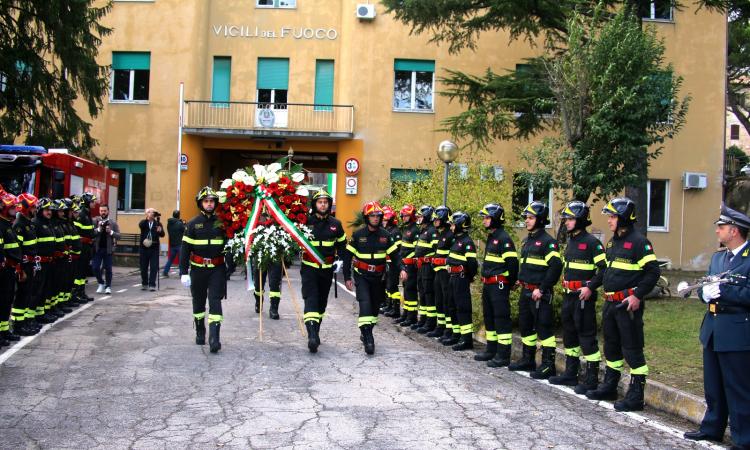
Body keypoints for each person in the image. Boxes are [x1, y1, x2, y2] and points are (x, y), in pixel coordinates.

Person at [684, 204, 750, 447]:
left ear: (734, 231)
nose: (717, 232)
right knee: (713, 386)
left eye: (721, 228)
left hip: (736, 330)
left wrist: (723, 292)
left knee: (738, 387)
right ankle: (712, 427)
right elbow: (707, 288)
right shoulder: (718, 257)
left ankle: (744, 438)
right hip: (712, 328)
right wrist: (705, 294)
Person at [585, 197, 660, 412]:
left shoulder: (639, 242)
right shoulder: (612, 242)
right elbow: (606, 270)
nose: (609, 221)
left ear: (624, 218)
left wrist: (637, 295)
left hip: (628, 306)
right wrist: (591, 286)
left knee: (632, 349)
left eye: (613, 216)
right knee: (611, 347)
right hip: (610, 304)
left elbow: (653, 272)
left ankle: (636, 396)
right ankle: (610, 386)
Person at [548, 201, 606, 391]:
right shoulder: (571, 241)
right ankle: (570, 374)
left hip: (583, 299)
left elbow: (604, 270)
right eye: (566, 219)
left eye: (570, 219)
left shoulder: (592, 243)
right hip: (568, 297)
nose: (566, 222)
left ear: (581, 220)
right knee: (570, 335)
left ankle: (591, 380)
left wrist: (590, 287)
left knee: (587, 337)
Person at [508, 201, 563, 379]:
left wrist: (543, 288)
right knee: (526, 327)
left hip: (540, 294)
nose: (527, 221)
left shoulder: (548, 242)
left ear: (540, 219)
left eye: (531, 218)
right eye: (526, 218)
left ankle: (548, 365)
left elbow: (555, 267)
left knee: (544, 328)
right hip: (526, 291)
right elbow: (525, 265)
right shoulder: (526, 241)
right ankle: (528, 359)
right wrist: (519, 279)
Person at [342, 201, 400, 355]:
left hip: (379, 277)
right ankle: (368, 337)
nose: (375, 218)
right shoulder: (358, 235)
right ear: (366, 217)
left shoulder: (386, 235)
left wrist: (403, 270)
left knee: (374, 309)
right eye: (372, 215)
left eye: (378, 216)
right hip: (362, 276)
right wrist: (347, 277)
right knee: (365, 303)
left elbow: (395, 256)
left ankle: (366, 329)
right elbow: (347, 257)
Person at [180, 187, 226, 353]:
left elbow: (230, 246)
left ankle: (214, 337)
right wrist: (183, 272)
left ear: (215, 203)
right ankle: (200, 330)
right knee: (198, 302)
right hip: (198, 270)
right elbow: (185, 250)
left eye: (211, 201)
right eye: (206, 201)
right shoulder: (192, 224)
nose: (209, 204)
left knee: (215, 301)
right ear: (201, 203)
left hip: (217, 269)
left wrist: (230, 266)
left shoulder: (222, 223)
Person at [300, 190, 347, 353]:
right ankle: (312, 335)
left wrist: (340, 261)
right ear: (314, 204)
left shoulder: (336, 224)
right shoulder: (305, 221)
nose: (323, 205)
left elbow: (342, 246)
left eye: (325, 202)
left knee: (321, 303)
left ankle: (315, 330)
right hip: (309, 268)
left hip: (326, 270)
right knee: (310, 299)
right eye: (320, 202)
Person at [474, 203, 518, 367]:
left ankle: (503, 354)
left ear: (496, 219)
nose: (484, 221)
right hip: (489, 286)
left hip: (499, 286)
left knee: (501, 319)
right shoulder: (492, 237)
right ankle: (491, 350)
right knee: (489, 318)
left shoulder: (504, 239)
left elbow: (513, 264)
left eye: (487, 218)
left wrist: (510, 283)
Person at [445, 211, 478, 351]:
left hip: (461, 278)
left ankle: (466, 340)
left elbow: (472, 264)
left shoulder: (467, 242)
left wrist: (469, 277)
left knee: (462, 308)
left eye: (452, 224)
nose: (451, 227)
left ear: (459, 225)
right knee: (452, 306)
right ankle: (456, 334)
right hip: (453, 277)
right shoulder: (455, 240)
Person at [12, 193, 40, 336]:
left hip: (30, 264)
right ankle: (18, 325)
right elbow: (18, 249)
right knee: (22, 295)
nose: (35, 209)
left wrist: (34, 264)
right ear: (25, 208)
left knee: (27, 294)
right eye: (33, 206)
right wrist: (20, 269)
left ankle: (23, 323)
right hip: (23, 266)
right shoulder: (19, 225)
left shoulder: (29, 223)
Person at [0, 192, 23, 346]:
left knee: (7, 301)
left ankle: (4, 331)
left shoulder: (8, 224)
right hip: (3, 271)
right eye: (12, 207)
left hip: (10, 270)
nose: (15, 209)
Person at [411, 205, 438, 333]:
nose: (418, 218)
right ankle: (423, 320)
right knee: (422, 293)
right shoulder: (424, 230)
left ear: (427, 217)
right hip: (421, 266)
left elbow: (436, 251)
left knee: (428, 294)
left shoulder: (432, 231)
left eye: (421, 216)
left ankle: (430, 322)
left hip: (428, 267)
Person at [31, 198, 58, 324]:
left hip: (49, 262)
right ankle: (34, 316)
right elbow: (33, 246)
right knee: (37, 290)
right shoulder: (35, 223)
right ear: (40, 210)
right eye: (47, 210)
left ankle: (41, 314)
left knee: (44, 290)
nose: (49, 212)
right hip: (40, 263)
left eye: (50, 210)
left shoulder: (48, 223)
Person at [252, 213, 283, 320]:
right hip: (260, 254)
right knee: (258, 283)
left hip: (275, 254)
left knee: (275, 282)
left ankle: (274, 308)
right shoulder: (256, 212)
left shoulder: (278, 212)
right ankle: (258, 301)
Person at [429, 205, 453, 340]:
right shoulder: (440, 234)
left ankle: (448, 329)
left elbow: (453, 256)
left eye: (437, 219)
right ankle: (441, 327)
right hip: (438, 273)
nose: (435, 221)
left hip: (446, 273)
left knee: (446, 300)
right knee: (438, 300)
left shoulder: (450, 235)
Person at [396, 204, 419, 327]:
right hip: (404, 264)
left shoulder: (415, 230)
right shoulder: (406, 229)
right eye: (403, 216)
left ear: (412, 216)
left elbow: (417, 250)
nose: (404, 218)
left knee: (410, 290)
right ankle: (406, 313)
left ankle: (412, 316)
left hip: (411, 265)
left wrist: (408, 260)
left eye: (406, 215)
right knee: (406, 290)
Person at [92, 205, 120, 295]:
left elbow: (119, 236)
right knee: (95, 267)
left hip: (108, 250)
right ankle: (101, 283)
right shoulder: (95, 221)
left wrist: (111, 232)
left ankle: (108, 286)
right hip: (97, 249)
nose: (103, 212)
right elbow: (90, 233)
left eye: (104, 211)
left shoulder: (113, 222)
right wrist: (98, 229)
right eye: (101, 211)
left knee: (108, 268)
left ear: (108, 211)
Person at [74, 192, 96, 302]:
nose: (94, 203)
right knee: (79, 271)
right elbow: (76, 233)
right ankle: (77, 293)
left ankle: (81, 292)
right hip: (82, 247)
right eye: (92, 201)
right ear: (86, 202)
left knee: (84, 272)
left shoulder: (87, 214)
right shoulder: (81, 214)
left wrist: (97, 231)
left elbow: (90, 232)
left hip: (87, 247)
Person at [381, 205, 402, 318]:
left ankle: (396, 309)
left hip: (393, 263)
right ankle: (389, 306)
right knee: (388, 285)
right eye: (383, 220)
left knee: (393, 285)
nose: (383, 222)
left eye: (385, 220)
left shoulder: (396, 232)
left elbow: (397, 250)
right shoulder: (387, 231)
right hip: (387, 262)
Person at [139, 208, 165, 291]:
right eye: (150, 212)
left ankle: (152, 284)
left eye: (153, 212)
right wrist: (148, 218)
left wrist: (160, 231)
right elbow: (141, 225)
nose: (152, 214)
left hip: (154, 248)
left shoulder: (157, 223)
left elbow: (162, 235)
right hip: (144, 248)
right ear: (147, 214)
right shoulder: (144, 222)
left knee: (154, 267)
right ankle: (145, 283)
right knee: (143, 267)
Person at [163, 210, 185, 278]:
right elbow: (184, 230)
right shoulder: (179, 223)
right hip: (179, 244)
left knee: (170, 259)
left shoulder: (169, 223)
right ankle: (181, 274)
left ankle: (165, 272)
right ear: (178, 215)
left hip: (172, 244)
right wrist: (183, 223)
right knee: (181, 259)